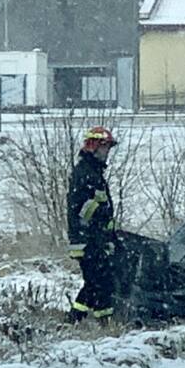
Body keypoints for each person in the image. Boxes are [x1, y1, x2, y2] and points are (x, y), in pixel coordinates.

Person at [65, 125, 120, 322]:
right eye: (105, 148)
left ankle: (101, 320)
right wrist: (101, 212)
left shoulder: (94, 172)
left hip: (94, 240)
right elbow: (82, 211)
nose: (107, 153)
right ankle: (75, 319)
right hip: (87, 240)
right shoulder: (85, 173)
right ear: (94, 146)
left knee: (100, 282)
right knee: (97, 282)